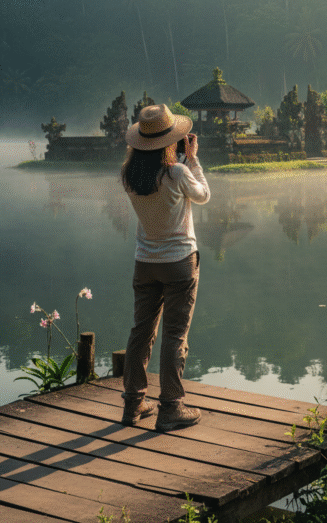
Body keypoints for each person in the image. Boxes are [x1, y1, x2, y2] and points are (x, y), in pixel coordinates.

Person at [119, 103, 210, 431]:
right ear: (170, 140)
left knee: (140, 332)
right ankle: (170, 407)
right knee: (174, 334)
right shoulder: (177, 172)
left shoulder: (129, 175)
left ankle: (133, 405)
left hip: (145, 262)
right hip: (179, 263)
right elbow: (203, 196)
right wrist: (193, 159)